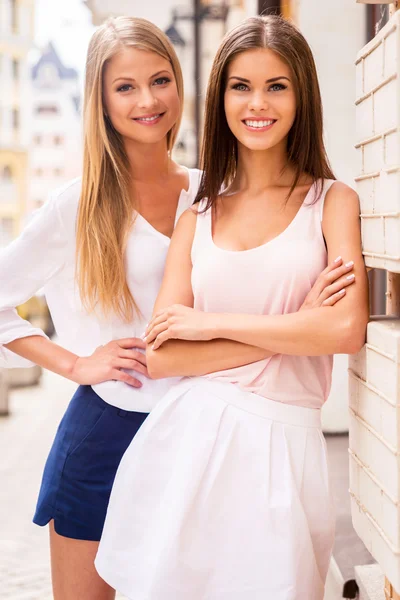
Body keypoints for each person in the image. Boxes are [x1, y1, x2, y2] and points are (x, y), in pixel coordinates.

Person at [0, 15, 352, 600]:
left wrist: (306, 329)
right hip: (111, 427)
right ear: (101, 101)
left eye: (160, 79)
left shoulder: (209, 193)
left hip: (211, 432)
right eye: (125, 87)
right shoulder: (77, 206)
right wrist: (75, 365)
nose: (147, 100)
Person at [95, 15, 369, 600]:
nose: (257, 104)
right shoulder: (198, 213)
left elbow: (345, 330)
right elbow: (164, 357)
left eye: (277, 86)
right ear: (221, 98)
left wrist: (210, 323)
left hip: (284, 445)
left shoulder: (333, 202)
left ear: (302, 96)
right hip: (191, 442)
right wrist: (298, 327)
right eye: (240, 86)